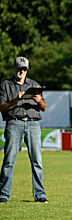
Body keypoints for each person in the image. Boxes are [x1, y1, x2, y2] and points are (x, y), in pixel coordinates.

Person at [0, 56, 48, 203]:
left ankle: (40, 195)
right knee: (8, 161)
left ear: (27, 70)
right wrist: (16, 100)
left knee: (37, 161)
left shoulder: (34, 84)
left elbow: (44, 108)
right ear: (14, 68)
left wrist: (39, 101)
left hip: (33, 125)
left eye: (24, 69)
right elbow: (1, 107)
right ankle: (3, 195)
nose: (22, 71)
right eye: (19, 68)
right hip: (14, 124)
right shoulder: (5, 85)